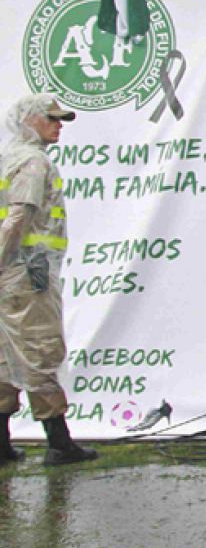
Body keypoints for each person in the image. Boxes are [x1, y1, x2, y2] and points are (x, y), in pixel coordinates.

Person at [0, 96, 98, 468]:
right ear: (30, 121)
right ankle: (59, 443)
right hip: (28, 272)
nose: (59, 126)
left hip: (12, 274)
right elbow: (17, 218)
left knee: (4, 356)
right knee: (41, 352)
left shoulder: (8, 156)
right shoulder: (34, 162)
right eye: (52, 119)